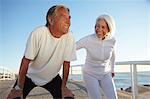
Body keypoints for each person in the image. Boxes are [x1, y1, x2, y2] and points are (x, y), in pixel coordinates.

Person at [7, 5, 76, 99]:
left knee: (68, 97)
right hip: (30, 76)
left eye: (69, 17)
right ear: (51, 20)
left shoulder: (70, 37)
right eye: (62, 16)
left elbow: (66, 64)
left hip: (52, 77)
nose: (68, 20)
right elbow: (25, 62)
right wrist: (19, 88)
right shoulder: (38, 33)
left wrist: (64, 88)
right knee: (14, 97)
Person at [76, 14, 118, 99]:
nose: (98, 29)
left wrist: (112, 70)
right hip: (89, 73)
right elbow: (73, 47)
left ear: (109, 28)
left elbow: (113, 55)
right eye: (97, 26)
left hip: (105, 73)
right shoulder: (88, 39)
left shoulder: (113, 40)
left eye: (103, 27)